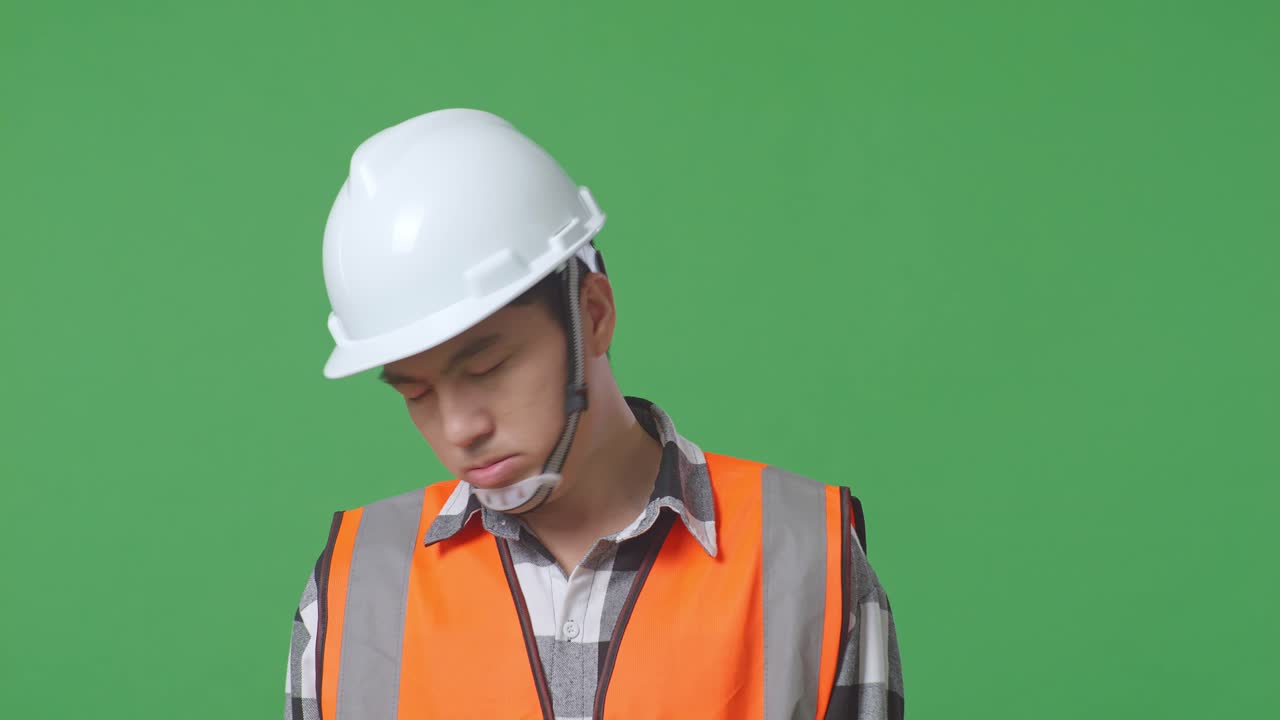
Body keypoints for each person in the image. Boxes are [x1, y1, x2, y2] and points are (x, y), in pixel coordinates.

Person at [283, 108, 904, 719]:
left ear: (595, 315)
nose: (459, 430)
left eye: (488, 368)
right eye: (415, 393)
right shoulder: (354, 589)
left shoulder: (806, 558)